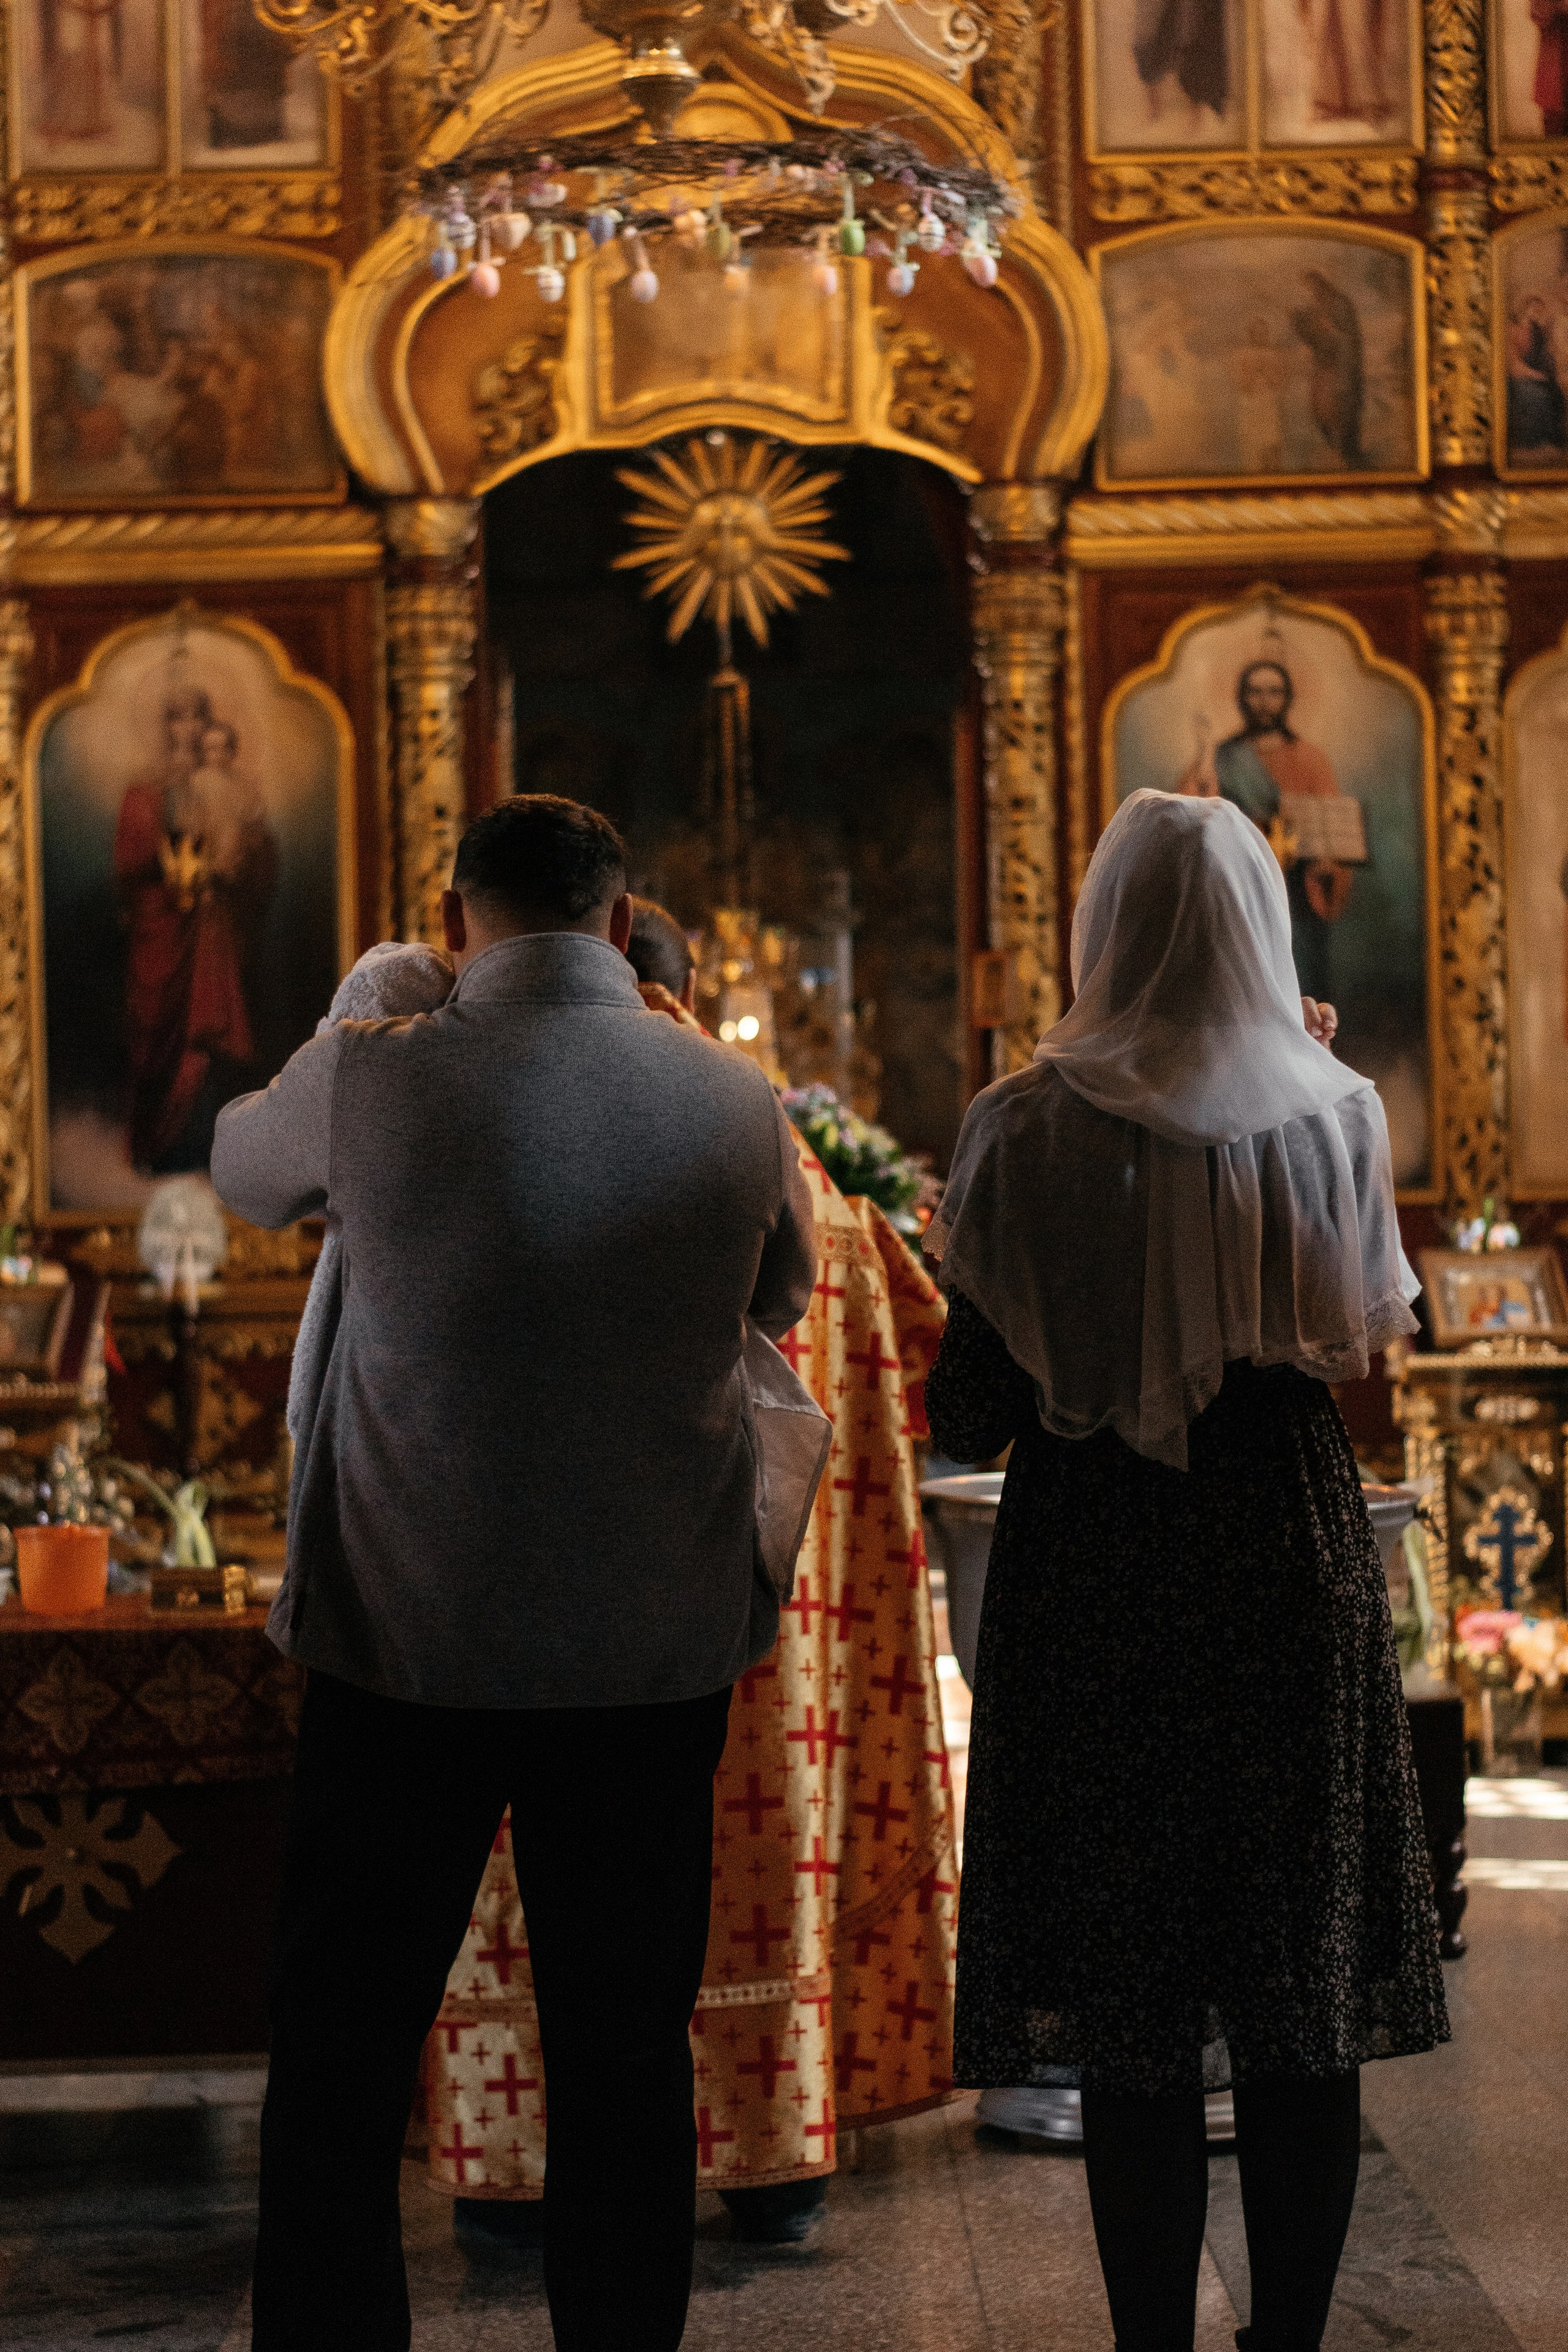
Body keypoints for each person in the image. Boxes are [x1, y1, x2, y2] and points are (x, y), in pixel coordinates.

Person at [210, 794, 816, 2352]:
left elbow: (237, 1168)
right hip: (644, 1649)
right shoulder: (735, 1100)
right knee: (624, 2050)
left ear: (455, 914)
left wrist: (368, 1001)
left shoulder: (371, 1076)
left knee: (343, 2046)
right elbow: (782, 1284)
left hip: (405, 1640)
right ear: (621, 921)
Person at [923, 790, 1448, 2352]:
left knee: (1130, 1986)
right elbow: (1357, 1349)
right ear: (1255, 924)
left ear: (1101, 926)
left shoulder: (1017, 1121)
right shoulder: (1330, 1108)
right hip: (1279, 1547)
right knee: (1295, 1965)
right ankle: (1282, 2333)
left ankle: (1148, 2331)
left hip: (1095, 1559)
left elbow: (968, 1405)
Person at [423, 898, 958, 2252]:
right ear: (688, 990)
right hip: (765, 1644)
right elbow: (927, 1340)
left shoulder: (495, 1141)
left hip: (526, 1609)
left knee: (546, 1885)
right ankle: (773, 2160)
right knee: (717, 1878)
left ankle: (521, 2164)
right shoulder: (800, 1184)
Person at [115, 685, 277, 1170]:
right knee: (156, 1042)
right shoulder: (146, 791)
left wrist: (231, 866)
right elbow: (131, 864)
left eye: (195, 719)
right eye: (176, 719)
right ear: (165, 729)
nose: (186, 730)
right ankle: (158, 1149)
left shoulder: (232, 788)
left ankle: (217, 1155)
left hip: (212, 935)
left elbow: (258, 857)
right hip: (161, 933)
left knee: (209, 1038)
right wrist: (174, 879)